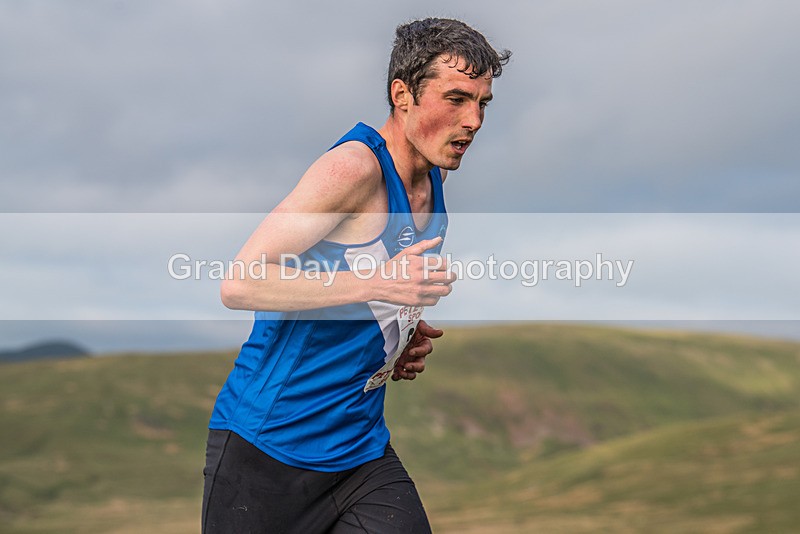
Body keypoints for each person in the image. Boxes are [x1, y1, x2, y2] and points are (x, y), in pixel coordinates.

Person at [202, 17, 511, 533]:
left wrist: (397, 335)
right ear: (402, 94)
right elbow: (241, 282)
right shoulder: (353, 170)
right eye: (456, 99)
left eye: (483, 103)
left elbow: (365, 274)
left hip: (359, 450)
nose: (474, 120)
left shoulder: (431, 178)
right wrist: (379, 286)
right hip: (268, 447)